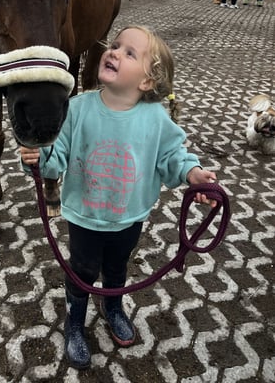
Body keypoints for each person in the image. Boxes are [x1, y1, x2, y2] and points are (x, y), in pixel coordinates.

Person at [19, 25, 218, 370]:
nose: (113, 52)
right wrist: (39, 157)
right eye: (115, 45)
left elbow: (173, 155)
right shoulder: (76, 109)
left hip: (129, 216)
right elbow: (56, 158)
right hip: (85, 215)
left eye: (129, 53)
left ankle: (112, 306)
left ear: (147, 81)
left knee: (117, 267)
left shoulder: (156, 118)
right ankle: (75, 322)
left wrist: (193, 174)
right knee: (82, 271)